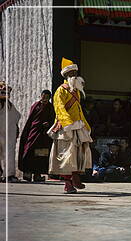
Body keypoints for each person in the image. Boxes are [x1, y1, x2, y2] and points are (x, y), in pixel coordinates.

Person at [48, 57, 93, 193]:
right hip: (66, 128)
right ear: (66, 76)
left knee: (79, 154)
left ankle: (75, 178)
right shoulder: (60, 91)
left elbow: (78, 110)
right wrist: (68, 124)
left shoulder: (77, 91)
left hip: (78, 127)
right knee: (67, 156)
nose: (74, 76)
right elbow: (59, 109)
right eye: (71, 74)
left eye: (75, 73)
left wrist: (85, 125)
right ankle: (67, 183)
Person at [18, 90, 55, 182]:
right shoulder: (36, 106)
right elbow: (31, 119)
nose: (45, 98)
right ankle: (27, 173)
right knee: (29, 151)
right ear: (41, 96)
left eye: (47, 96)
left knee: (41, 154)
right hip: (34, 132)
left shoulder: (51, 107)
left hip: (44, 135)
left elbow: (53, 119)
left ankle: (37, 174)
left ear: (49, 98)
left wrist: (49, 123)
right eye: (43, 96)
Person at [0, 81, 21, 182]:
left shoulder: (10, 105)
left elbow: (15, 118)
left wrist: (16, 129)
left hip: (9, 135)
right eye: (3, 92)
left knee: (9, 154)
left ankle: (8, 175)